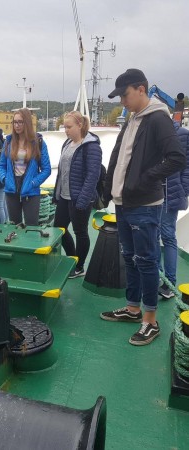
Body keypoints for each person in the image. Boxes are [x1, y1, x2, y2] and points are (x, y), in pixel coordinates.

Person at [100, 68, 186, 346]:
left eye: (124, 95)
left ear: (141, 89)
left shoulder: (158, 118)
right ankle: (132, 308)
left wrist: (145, 179)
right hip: (124, 202)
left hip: (144, 204)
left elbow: (177, 158)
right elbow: (120, 157)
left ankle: (150, 320)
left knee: (147, 261)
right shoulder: (133, 119)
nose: (122, 101)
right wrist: (109, 190)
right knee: (130, 257)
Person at [53, 111, 102, 278]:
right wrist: (57, 193)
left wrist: (82, 200)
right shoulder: (67, 143)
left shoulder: (91, 146)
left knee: (80, 232)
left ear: (80, 125)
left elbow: (92, 176)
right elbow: (62, 171)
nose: (66, 130)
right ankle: (73, 258)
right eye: (64, 127)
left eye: (69, 127)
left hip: (80, 198)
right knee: (59, 228)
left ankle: (79, 266)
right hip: (64, 196)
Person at [0, 108, 51, 225]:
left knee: (31, 227)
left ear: (27, 123)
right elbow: (1, 165)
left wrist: (33, 183)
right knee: (14, 227)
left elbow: (46, 169)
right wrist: (5, 179)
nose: (17, 125)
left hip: (31, 192)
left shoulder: (38, 143)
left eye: (20, 122)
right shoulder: (8, 142)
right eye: (14, 122)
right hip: (11, 190)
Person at [157, 117, 189, 298]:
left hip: (170, 195)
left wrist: (182, 189)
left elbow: (187, 166)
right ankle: (157, 276)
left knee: (168, 236)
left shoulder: (182, 134)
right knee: (152, 237)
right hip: (151, 195)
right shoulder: (152, 134)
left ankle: (169, 283)